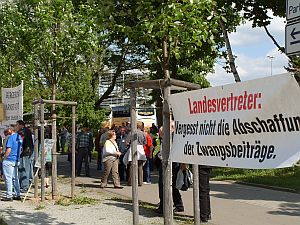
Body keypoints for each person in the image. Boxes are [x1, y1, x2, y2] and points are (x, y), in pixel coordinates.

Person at [157, 124, 184, 214]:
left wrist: (183, 164)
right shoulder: (168, 138)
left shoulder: (175, 139)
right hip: (167, 163)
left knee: (165, 184)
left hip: (172, 164)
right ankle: (175, 205)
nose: (161, 136)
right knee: (170, 185)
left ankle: (164, 206)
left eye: (162, 134)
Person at [1, 126, 22, 201]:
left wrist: (4, 158)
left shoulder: (11, 138)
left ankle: (9, 195)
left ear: (10, 130)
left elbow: (9, 149)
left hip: (9, 160)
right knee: (15, 178)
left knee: (8, 178)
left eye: (7, 131)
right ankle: (18, 194)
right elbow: (21, 149)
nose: (6, 132)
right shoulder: (19, 137)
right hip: (16, 160)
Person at [16, 120, 34, 193]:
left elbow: (20, 141)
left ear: (21, 125)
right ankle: (25, 184)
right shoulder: (27, 131)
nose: (16, 126)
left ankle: (24, 186)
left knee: (23, 169)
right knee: (26, 169)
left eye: (17, 125)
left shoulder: (22, 131)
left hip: (24, 152)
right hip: (27, 152)